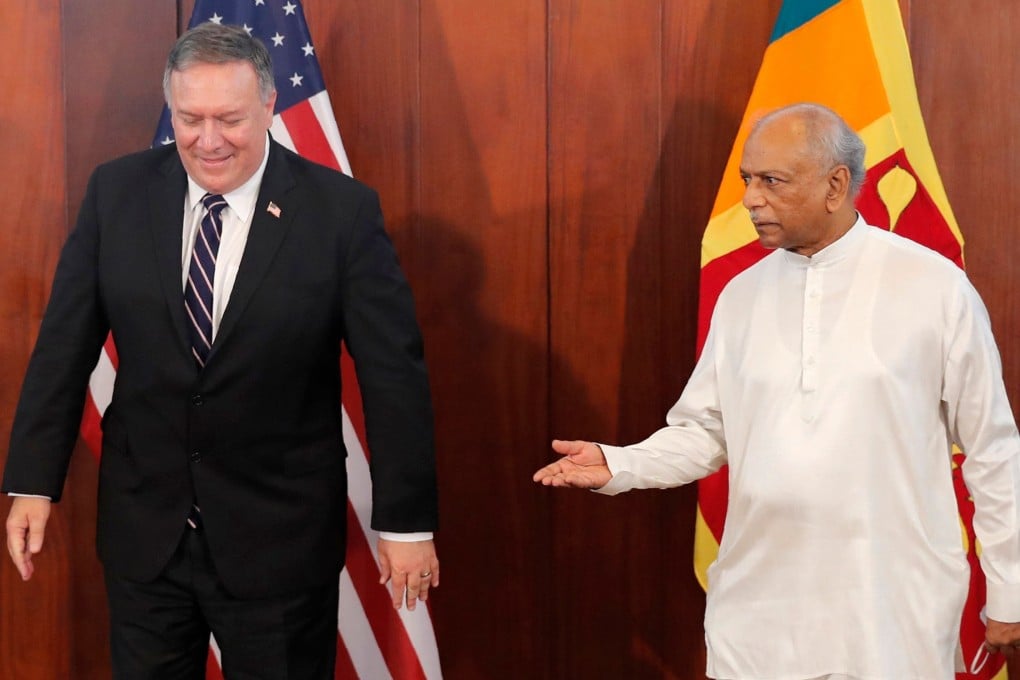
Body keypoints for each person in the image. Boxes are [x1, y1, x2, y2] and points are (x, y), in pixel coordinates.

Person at [3, 22, 438, 679]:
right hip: (146, 535)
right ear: (170, 107)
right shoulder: (115, 194)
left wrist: (405, 526)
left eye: (229, 119)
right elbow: (65, 345)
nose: (208, 141)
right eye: (189, 118)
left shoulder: (339, 214)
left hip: (280, 542)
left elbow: (393, 378)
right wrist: (32, 482)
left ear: (268, 106)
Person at [534, 102, 1020, 679]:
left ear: (836, 185)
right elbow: (707, 432)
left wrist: (1011, 588)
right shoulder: (740, 294)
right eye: (747, 179)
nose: (750, 199)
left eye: (772, 181)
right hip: (759, 610)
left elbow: (991, 450)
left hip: (891, 608)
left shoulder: (935, 287)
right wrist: (620, 464)